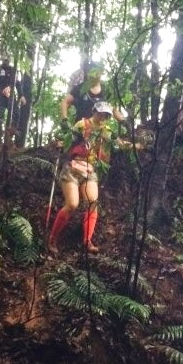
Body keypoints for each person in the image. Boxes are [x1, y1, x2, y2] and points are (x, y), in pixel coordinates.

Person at [48, 100, 129, 255]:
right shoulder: (82, 124)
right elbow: (68, 139)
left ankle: (87, 241)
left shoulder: (106, 131)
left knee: (93, 203)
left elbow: (119, 144)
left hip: (90, 171)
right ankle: (52, 239)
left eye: (106, 115)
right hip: (73, 168)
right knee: (72, 204)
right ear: (94, 111)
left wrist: (136, 146)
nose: (102, 117)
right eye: (100, 113)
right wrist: (60, 142)